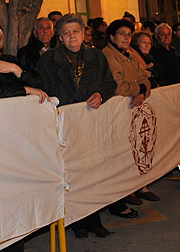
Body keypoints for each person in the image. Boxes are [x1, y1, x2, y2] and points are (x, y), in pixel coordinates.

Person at [35, 14, 116, 238]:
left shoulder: (97, 57)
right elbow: (39, 87)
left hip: (90, 124)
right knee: (70, 174)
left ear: (83, 34)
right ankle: (76, 221)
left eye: (76, 31)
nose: (72, 36)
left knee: (92, 172)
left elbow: (110, 83)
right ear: (60, 37)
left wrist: (101, 93)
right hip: (63, 126)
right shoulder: (48, 60)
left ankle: (94, 219)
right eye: (66, 32)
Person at [103, 19, 158, 212]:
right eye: (121, 34)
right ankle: (120, 197)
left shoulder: (131, 55)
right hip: (116, 113)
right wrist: (138, 90)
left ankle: (136, 187)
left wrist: (142, 92)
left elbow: (145, 78)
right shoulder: (109, 55)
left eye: (128, 34)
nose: (126, 38)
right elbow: (118, 85)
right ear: (112, 37)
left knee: (135, 149)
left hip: (133, 109)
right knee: (119, 154)